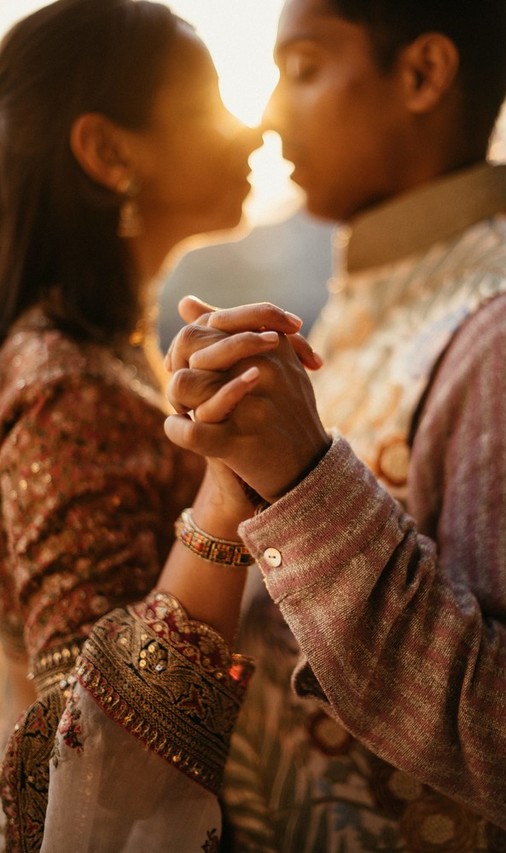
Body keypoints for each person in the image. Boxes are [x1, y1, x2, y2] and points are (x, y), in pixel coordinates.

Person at [164, 0, 506, 850]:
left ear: (422, 74)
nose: (271, 113)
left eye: (304, 69)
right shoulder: (391, 288)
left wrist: (307, 479)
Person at [0, 1, 323, 850]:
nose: (252, 131)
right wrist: (223, 504)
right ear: (108, 151)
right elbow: (70, 770)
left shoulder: (101, 352)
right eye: (205, 104)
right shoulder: (65, 391)